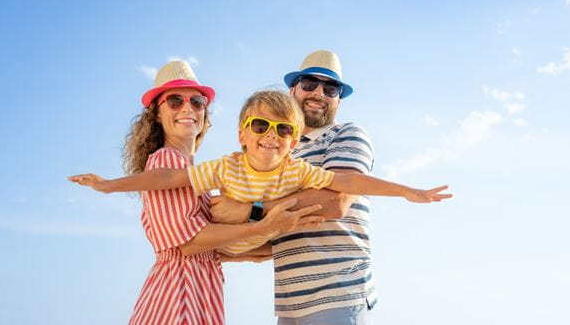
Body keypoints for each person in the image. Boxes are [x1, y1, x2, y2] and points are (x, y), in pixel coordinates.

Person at [75, 61, 325, 325]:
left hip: (197, 290)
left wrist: (258, 245)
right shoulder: (166, 161)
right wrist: (262, 225)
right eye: (174, 101)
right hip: (177, 295)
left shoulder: (192, 171)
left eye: (196, 102)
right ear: (156, 115)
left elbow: (206, 248)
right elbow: (188, 243)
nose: (187, 108)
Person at [210, 50, 445, 324]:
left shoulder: (347, 134)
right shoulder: (279, 155)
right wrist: (210, 247)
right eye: (310, 84)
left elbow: (336, 202)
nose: (319, 93)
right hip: (290, 304)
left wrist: (247, 211)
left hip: (339, 293)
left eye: (331, 88)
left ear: (338, 99)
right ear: (292, 90)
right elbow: (275, 238)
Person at [70, 90, 451, 256]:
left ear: (295, 140)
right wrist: (110, 185)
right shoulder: (227, 167)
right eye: (260, 126)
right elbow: (169, 179)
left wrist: (405, 191)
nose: (271, 136)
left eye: (283, 130)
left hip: (254, 249)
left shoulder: (297, 169)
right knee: (219, 216)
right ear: (241, 135)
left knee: (280, 227)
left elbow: (348, 181)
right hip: (221, 251)